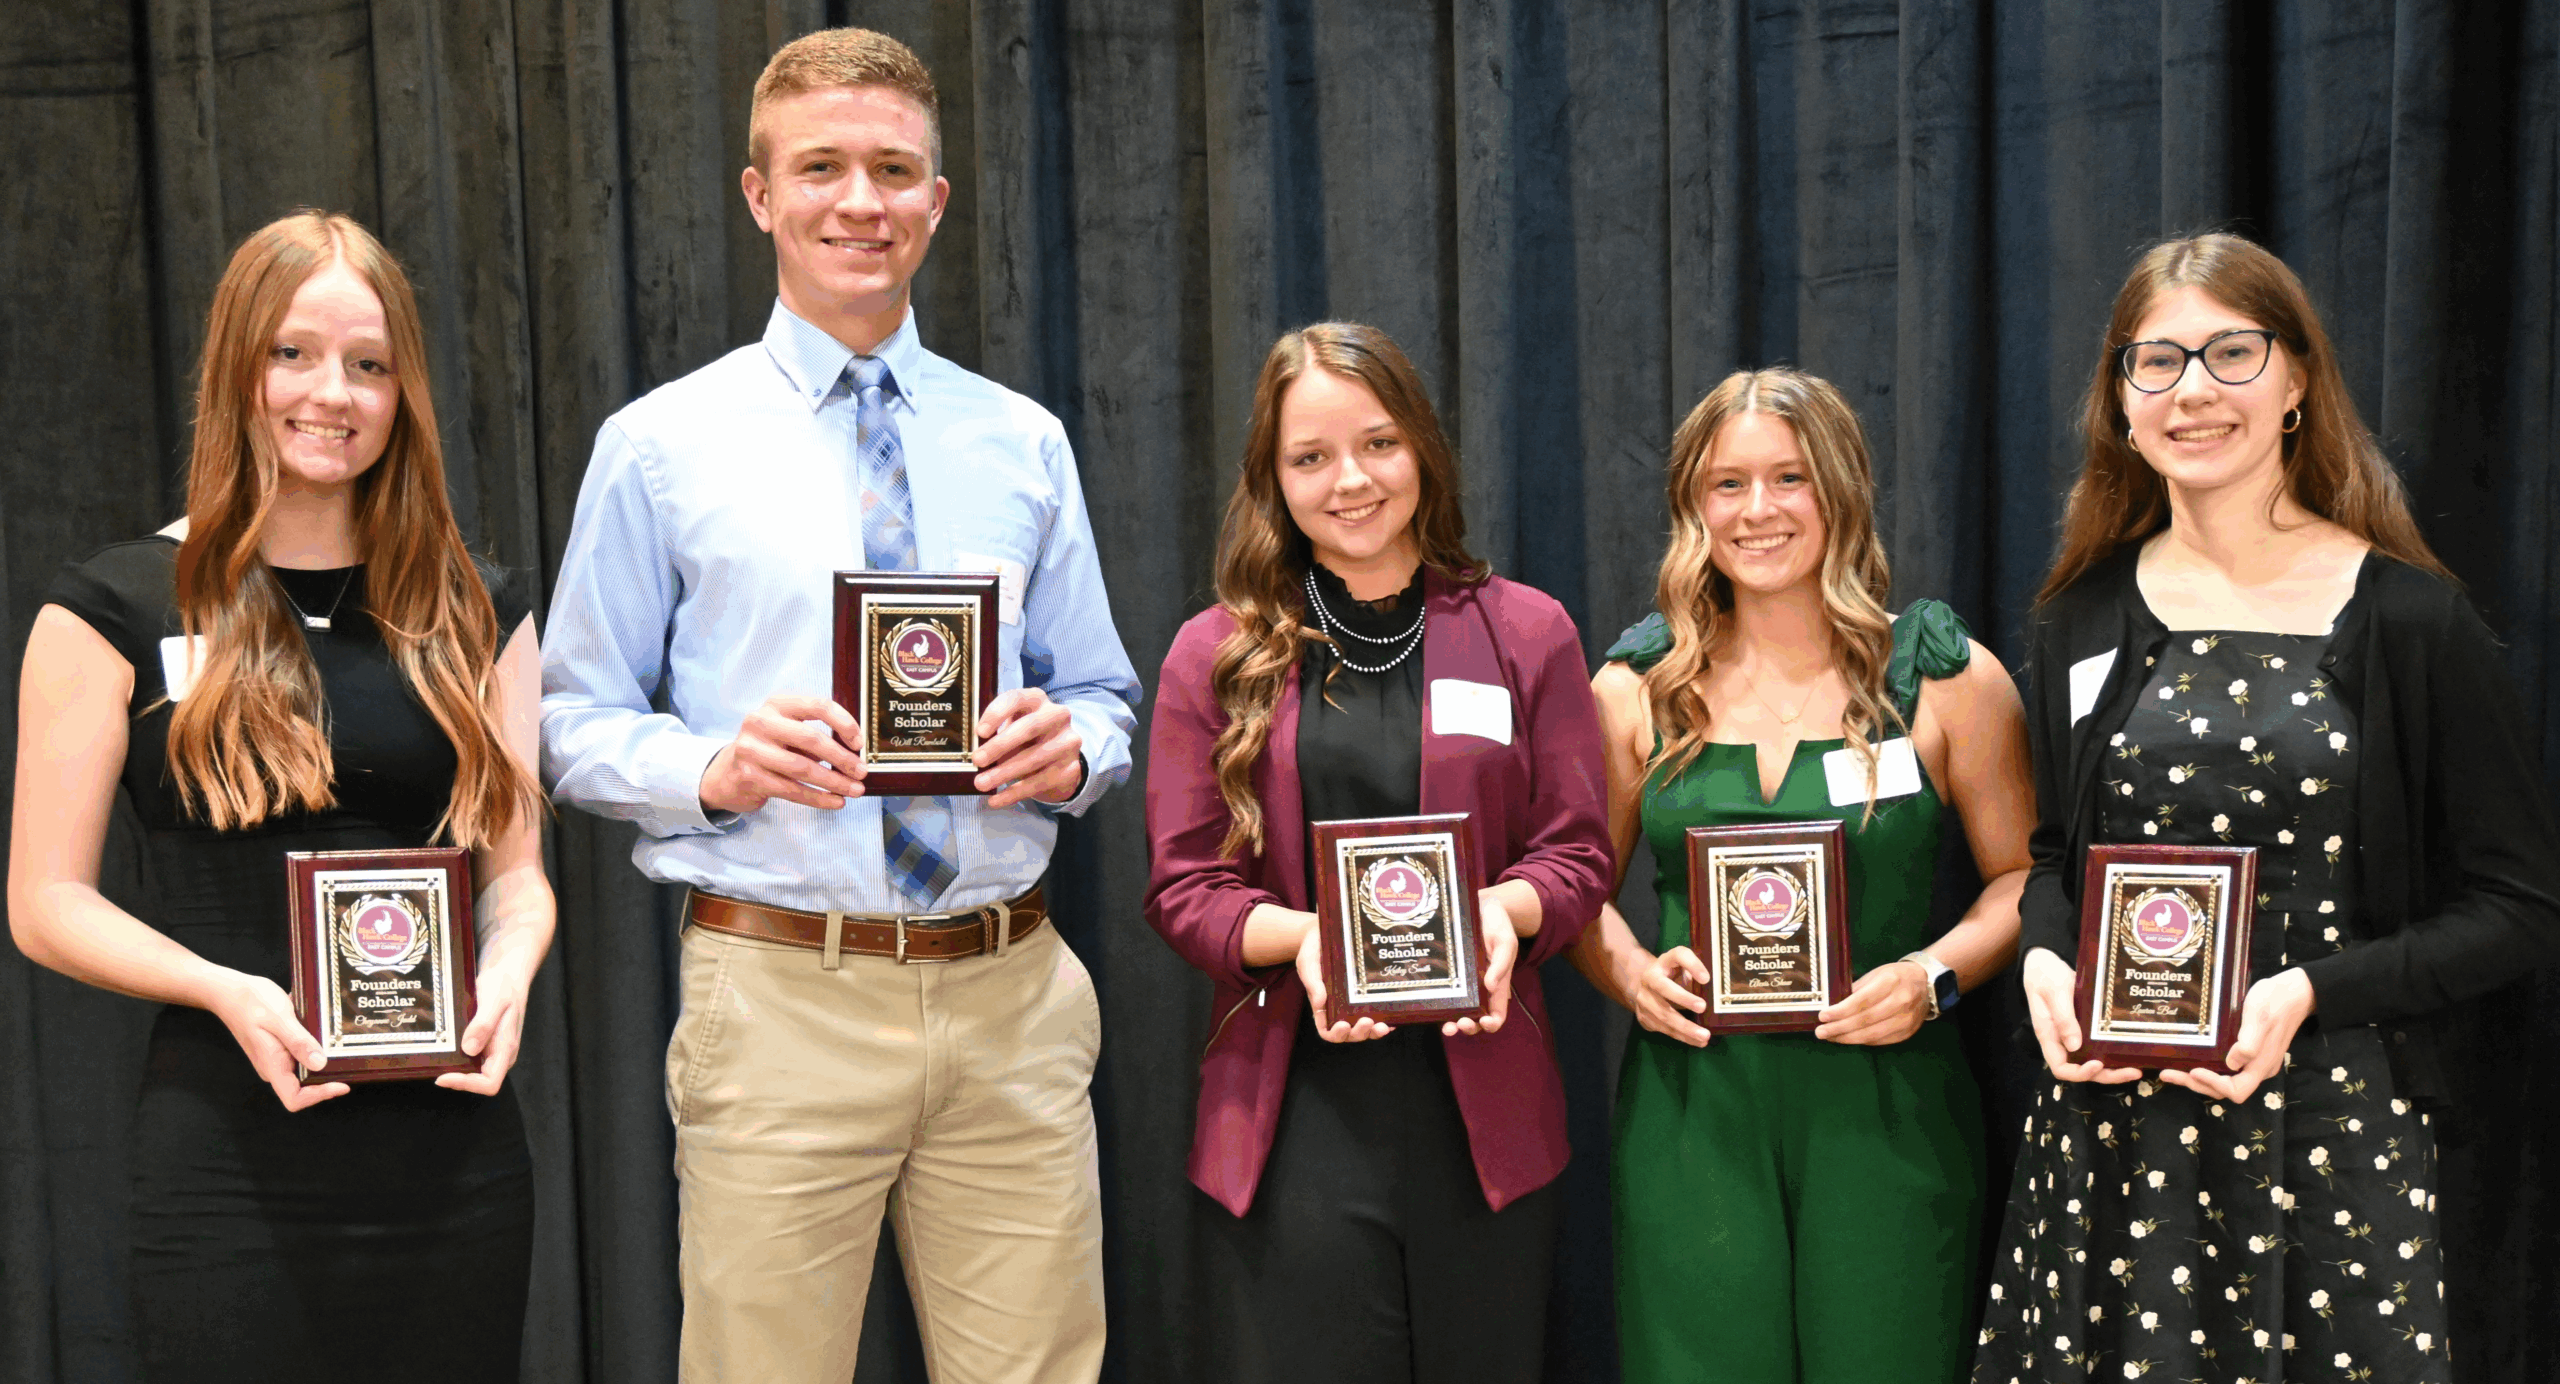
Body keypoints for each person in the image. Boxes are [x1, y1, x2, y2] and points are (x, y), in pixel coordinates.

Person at [539, 27, 1140, 1384]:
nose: (860, 202)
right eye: (821, 168)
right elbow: (571, 721)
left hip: (1010, 994)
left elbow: (1102, 692)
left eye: (893, 170)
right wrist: (715, 769)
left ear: (938, 198)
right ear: (761, 196)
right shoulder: (659, 446)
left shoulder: (1024, 441)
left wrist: (1073, 748)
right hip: (779, 996)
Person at [1970, 232, 2560, 1382]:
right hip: (2114, 1141)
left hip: (2331, 1130)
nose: (2192, 389)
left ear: (2295, 382)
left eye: (2230, 352)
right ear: (2121, 401)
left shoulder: (2409, 620)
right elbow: (2054, 859)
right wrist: (2044, 956)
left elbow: (2519, 907)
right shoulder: (2077, 615)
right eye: (2156, 361)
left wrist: (2306, 993)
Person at [7, 211, 550, 1382]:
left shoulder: (476, 607)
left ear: (403, 391)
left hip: (455, 1159)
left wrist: (508, 972)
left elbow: (518, 877)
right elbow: (45, 902)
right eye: (292, 354)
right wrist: (225, 989)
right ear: (235, 366)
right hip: (227, 1157)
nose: (331, 394)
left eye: (369, 364)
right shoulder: (111, 606)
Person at [1143, 322, 1613, 1384]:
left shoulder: (1527, 631)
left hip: (1486, 1117)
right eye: (1310, 457)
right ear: (1272, 478)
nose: (1350, 480)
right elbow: (1183, 887)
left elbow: (1577, 853)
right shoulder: (1213, 653)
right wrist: (1308, 942)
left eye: (1378, 444)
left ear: (1423, 450)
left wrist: (1503, 914)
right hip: (1293, 1114)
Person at [1568, 367, 2034, 1382]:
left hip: (1888, 1105)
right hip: (1695, 1105)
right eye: (1727, 484)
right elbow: (1573, 888)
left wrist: (1932, 977)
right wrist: (1631, 975)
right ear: (1693, 505)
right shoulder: (1635, 687)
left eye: (1789, 478)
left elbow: (2025, 881)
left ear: (1842, 488)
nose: (1759, 509)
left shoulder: (1945, 676)